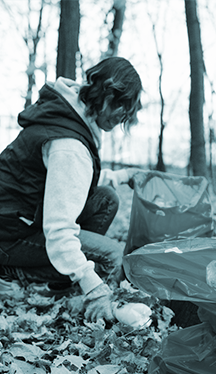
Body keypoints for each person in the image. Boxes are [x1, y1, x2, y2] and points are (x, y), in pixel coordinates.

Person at [0, 57, 143, 322]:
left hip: (17, 219)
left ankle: (59, 284)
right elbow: (59, 230)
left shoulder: (68, 114)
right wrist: (94, 286)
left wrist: (123, 176)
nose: (123, 117)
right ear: (108, 95)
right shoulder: (69, 145)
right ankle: (10, 271)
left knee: (106, 200)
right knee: (111, 255)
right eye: (123, 108)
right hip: (9, 237)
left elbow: (71, 180)